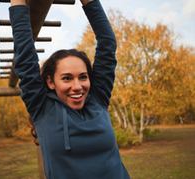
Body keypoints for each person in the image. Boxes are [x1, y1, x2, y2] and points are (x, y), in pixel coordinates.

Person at [9, 0, 130, 178]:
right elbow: (25, 54)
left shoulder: (98, 99)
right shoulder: (42, 108)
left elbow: (108, 43)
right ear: (50, 82)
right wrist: (17, 2)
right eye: (67, 78)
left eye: (83, 77)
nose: (77, 86)